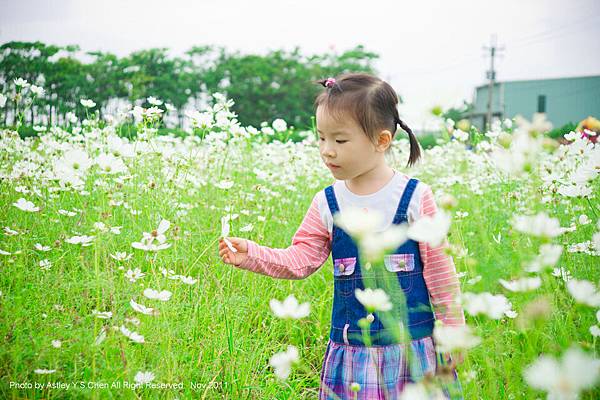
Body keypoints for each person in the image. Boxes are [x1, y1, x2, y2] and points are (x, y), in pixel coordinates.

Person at [218, 72, 466, 399]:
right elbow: (301, 259)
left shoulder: (415, 198)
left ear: (381, 141)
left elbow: (440, 273)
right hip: (353, 358)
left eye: (340, 140)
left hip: (413, 354)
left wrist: (453, 334)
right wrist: (252, 253)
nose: (327, 151)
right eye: (321, 138)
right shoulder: (327, 202)